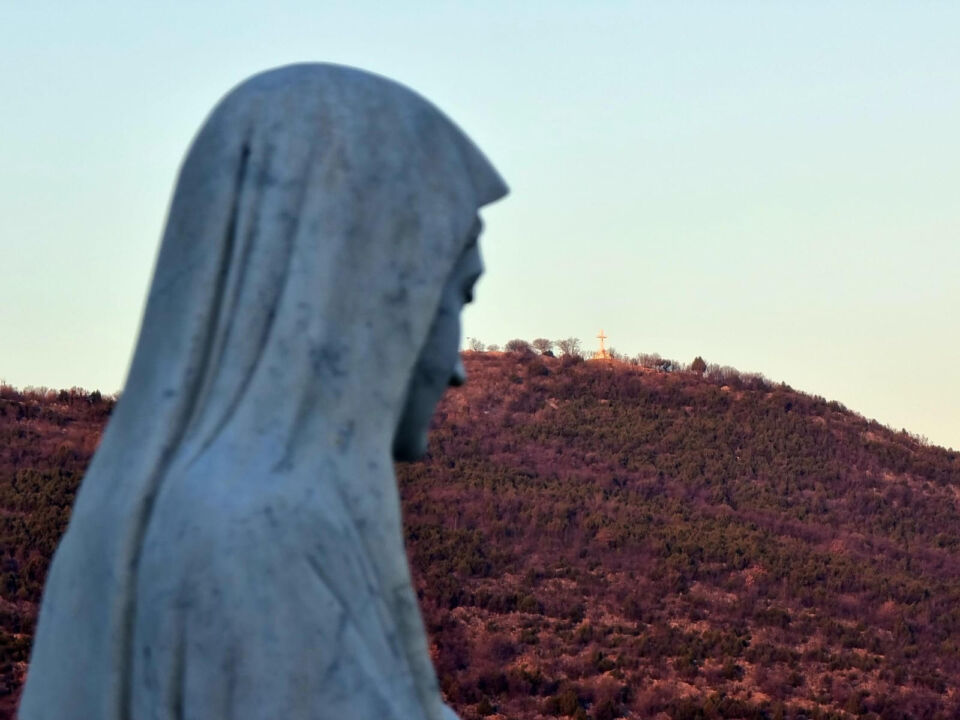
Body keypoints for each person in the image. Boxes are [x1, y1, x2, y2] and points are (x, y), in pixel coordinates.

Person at [19, 63, 507, 720]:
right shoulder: (262, 537)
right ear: (364, 291)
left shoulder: (124, 524)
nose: (457, 370)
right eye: (457, 298)